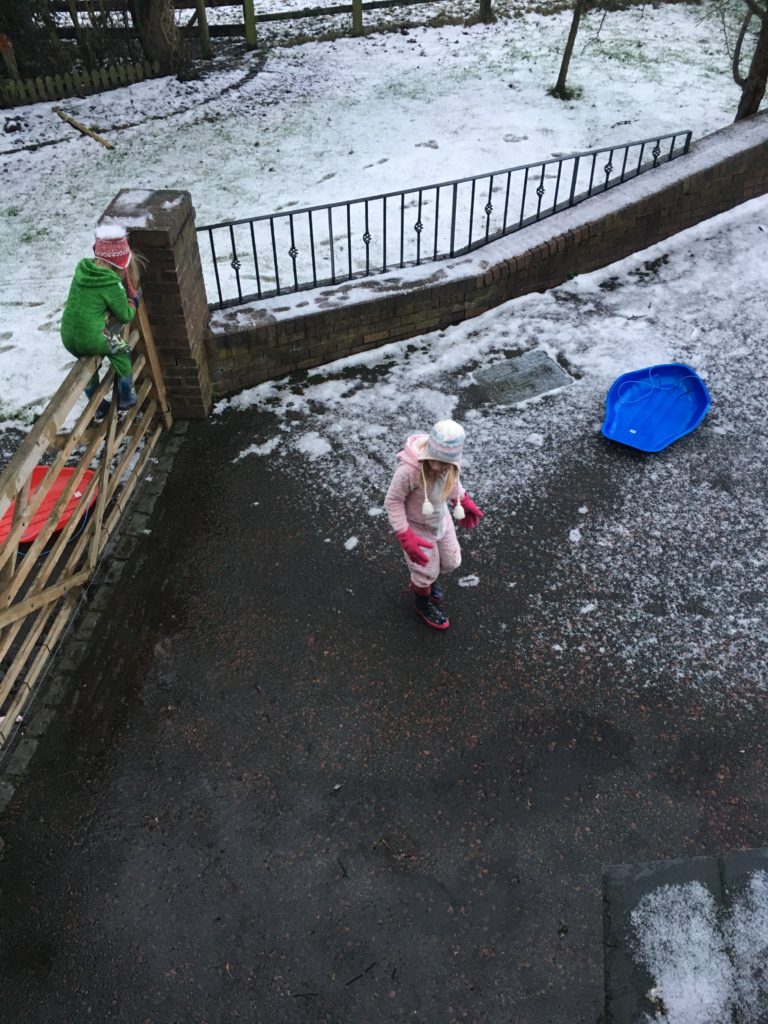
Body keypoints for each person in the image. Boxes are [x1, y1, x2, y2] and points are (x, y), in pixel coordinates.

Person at [384, 419, 484, 630]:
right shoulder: (409, 471)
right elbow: (392, 501)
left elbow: (453, 482)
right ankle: (422, 600)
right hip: (417, 529)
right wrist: (404, 533)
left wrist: (462, 500)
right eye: (436, 461)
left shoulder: (448, 467)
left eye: (446, 464)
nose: (440, 468)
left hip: (441, 521)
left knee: (451, 562)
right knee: (425, 572)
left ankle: (427, 582)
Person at [60, 224, 142, 420]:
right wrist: (133, 301)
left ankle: (97, 406)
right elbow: (125, 316)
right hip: (92, 337)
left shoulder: (82, 271)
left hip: (68, 336)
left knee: (90, 367)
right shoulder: (110, 283)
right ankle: (126, 397)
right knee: (121, 350)